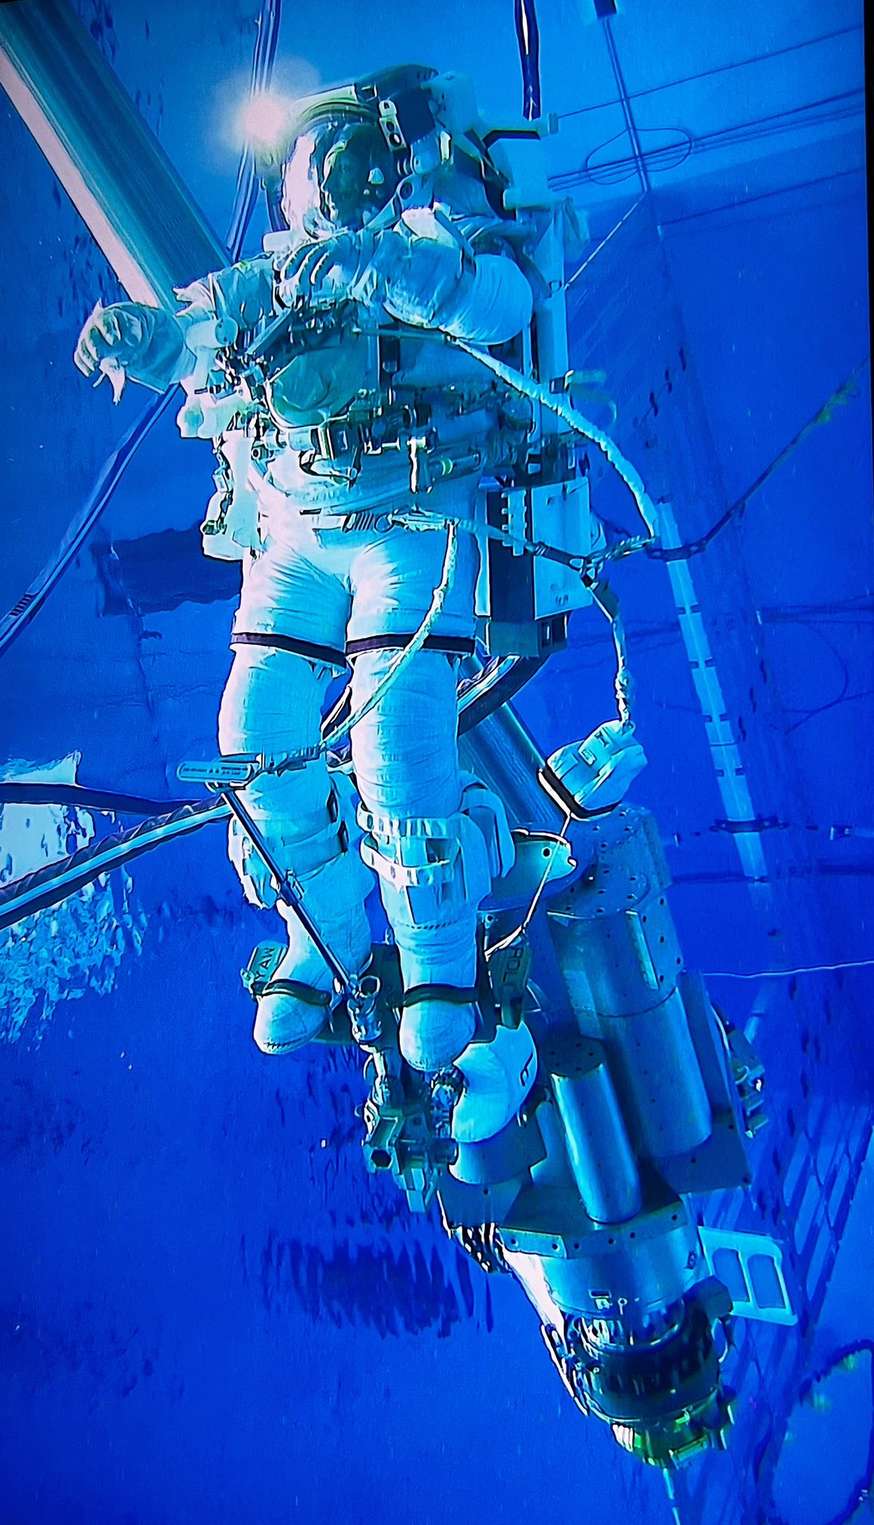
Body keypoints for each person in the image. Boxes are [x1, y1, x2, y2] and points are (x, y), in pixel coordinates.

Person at [74, 69, 536, 1110]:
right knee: (256, 729)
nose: (322, 183)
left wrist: (384, 269)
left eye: (342, 163)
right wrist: (133, 339)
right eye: (309, 164)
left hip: (411, 529)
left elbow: (504, 301)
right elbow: (187, 336)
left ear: (376, 173)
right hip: (298, 533)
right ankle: (323, 920)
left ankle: (437, 960)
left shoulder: (423, 257)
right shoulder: (265, 283)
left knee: (397, 740)